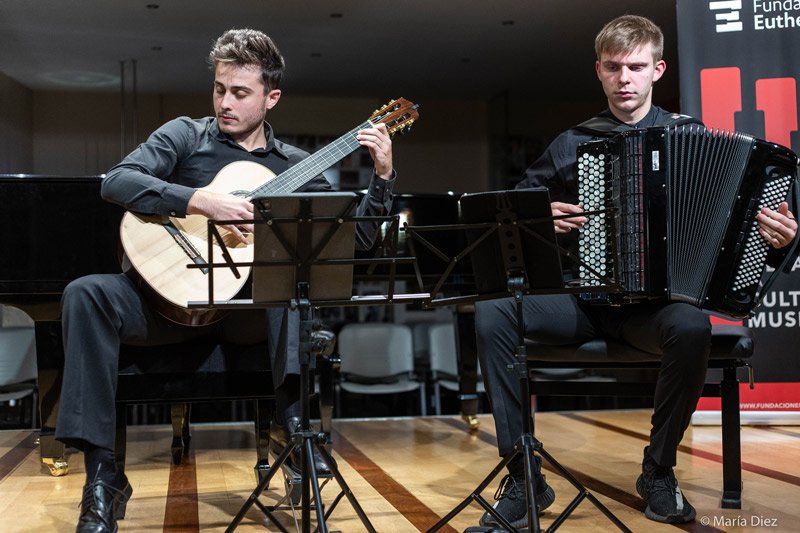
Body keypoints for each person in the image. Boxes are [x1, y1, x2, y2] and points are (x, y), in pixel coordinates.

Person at [56, 28, 396, 533]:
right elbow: (116, 182)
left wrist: (383, 178)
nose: (225, 102)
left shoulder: (297, 168)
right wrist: (198, 200)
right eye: (219, 89)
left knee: (289, 285)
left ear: (271, 97)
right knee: (85, 292)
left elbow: (357, 243)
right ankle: (102, 477)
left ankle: (297, 433)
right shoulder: (185, 135)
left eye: (240, 92)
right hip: (168, 306)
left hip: (246, 319)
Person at [474, 14, 798, 528]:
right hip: (584, 301)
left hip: (655, 312)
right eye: (613, 67)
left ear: (658, 70)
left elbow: (746, 232)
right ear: (599, 72)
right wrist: (541, 219)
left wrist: (780, 239)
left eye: (636, 67)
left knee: (692, 325)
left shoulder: (690, 136)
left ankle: (658, 470)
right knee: (493, 312)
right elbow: (511, 217)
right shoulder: (572, 142)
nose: (625, 78)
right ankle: (522, 476)